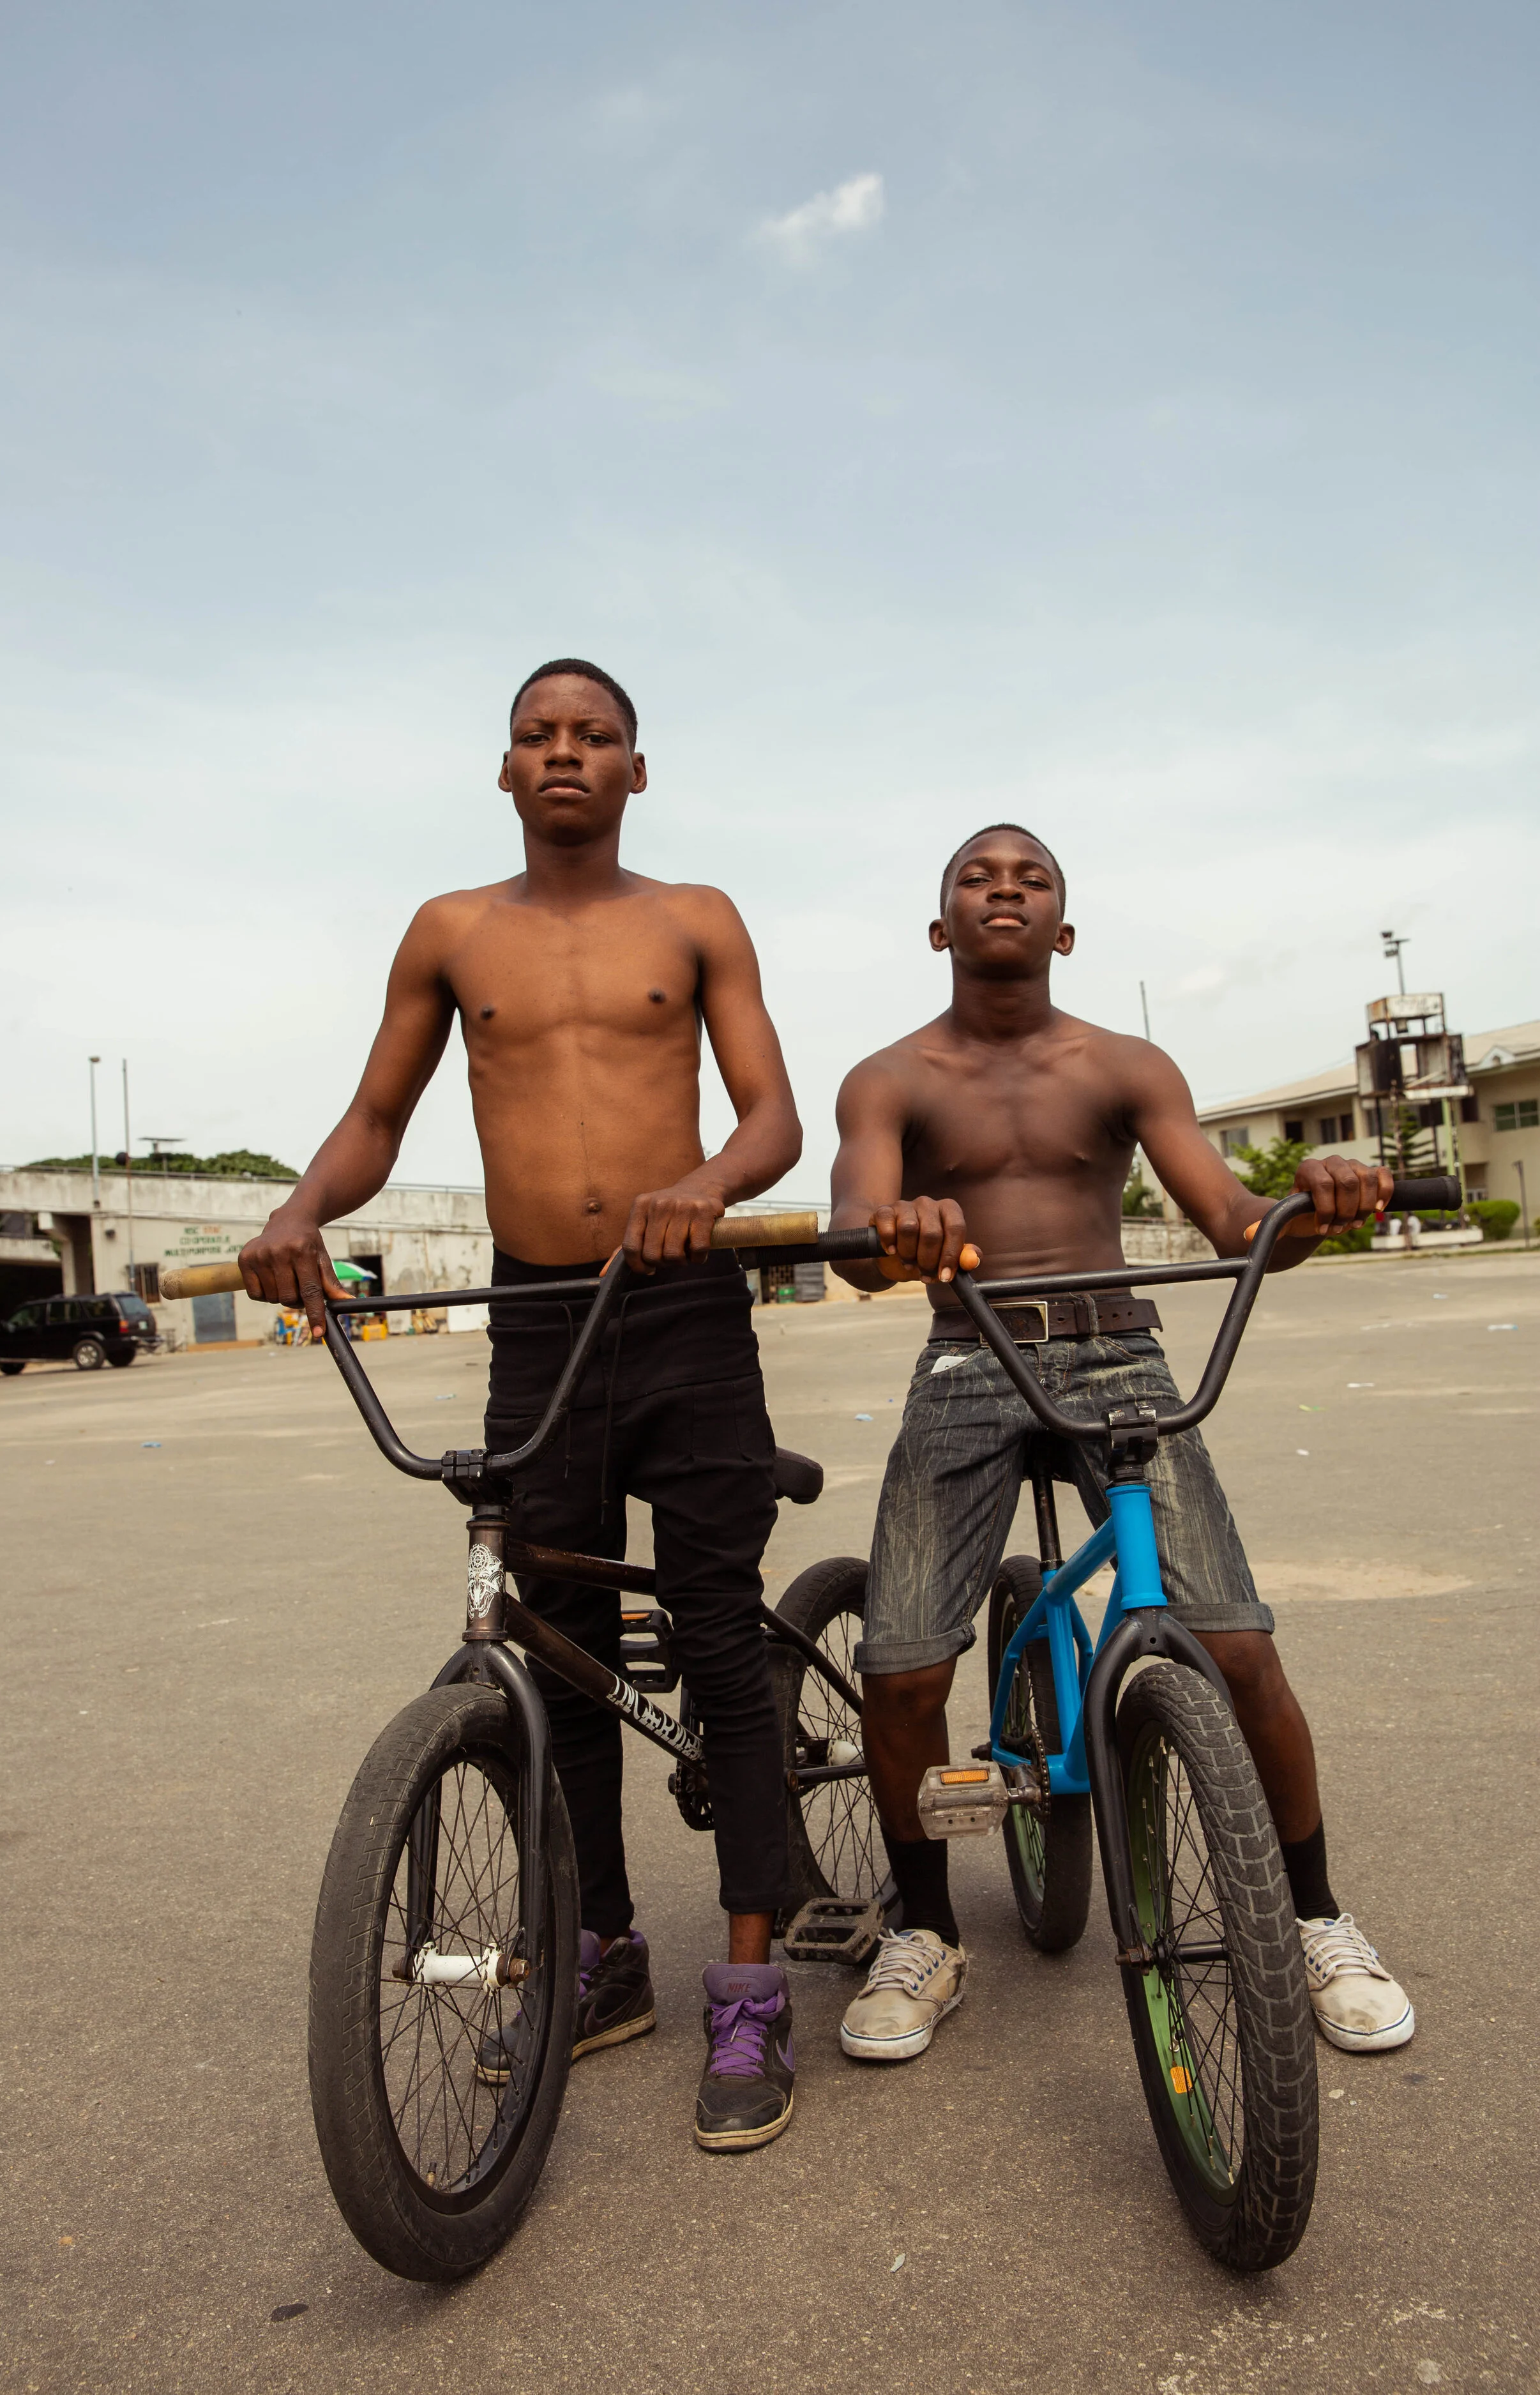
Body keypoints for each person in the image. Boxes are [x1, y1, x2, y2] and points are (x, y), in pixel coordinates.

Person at [240, 658, 801, 2151]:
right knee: (555, 1650)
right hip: (538, 1321)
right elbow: (376, 1118)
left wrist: (704, 1185)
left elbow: (770, 1116)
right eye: (537, 735)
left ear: (634, 771)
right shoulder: (450, 930)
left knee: (718, 1633)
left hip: (681, 1309)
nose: (565, 752)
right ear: (503, 770)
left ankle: (749, 1986)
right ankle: (601, 1950)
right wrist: (299, 1212)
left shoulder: (695, 917)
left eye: (594, 735)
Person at [826, 822, 1415, 2065]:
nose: (1004, 890)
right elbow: (855, 1229)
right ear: (937, 927)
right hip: (966, 1358)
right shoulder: (888, 1077)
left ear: (1064, 927)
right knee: (901, 1669)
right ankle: (924, 1932)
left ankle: (1315, 1915)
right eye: (976, 878)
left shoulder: (1124, 1063)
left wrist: (1311, 1208)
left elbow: (1234, 1218)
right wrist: (893, 1233)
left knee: (1236, 1647)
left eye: (1030, 878)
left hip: (1116, 1356)